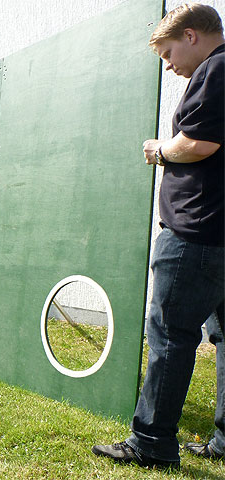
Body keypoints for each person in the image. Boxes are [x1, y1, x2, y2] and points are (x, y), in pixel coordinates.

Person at [92, 3, 224, 469]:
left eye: (169, 53)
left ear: (191, 35)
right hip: (220, 233)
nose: (169, 66)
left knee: (170, 335)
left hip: (195, 233)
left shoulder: (216, 69)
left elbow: (198, 144)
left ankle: (151, 442)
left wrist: (160, 151)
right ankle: (224, 441)